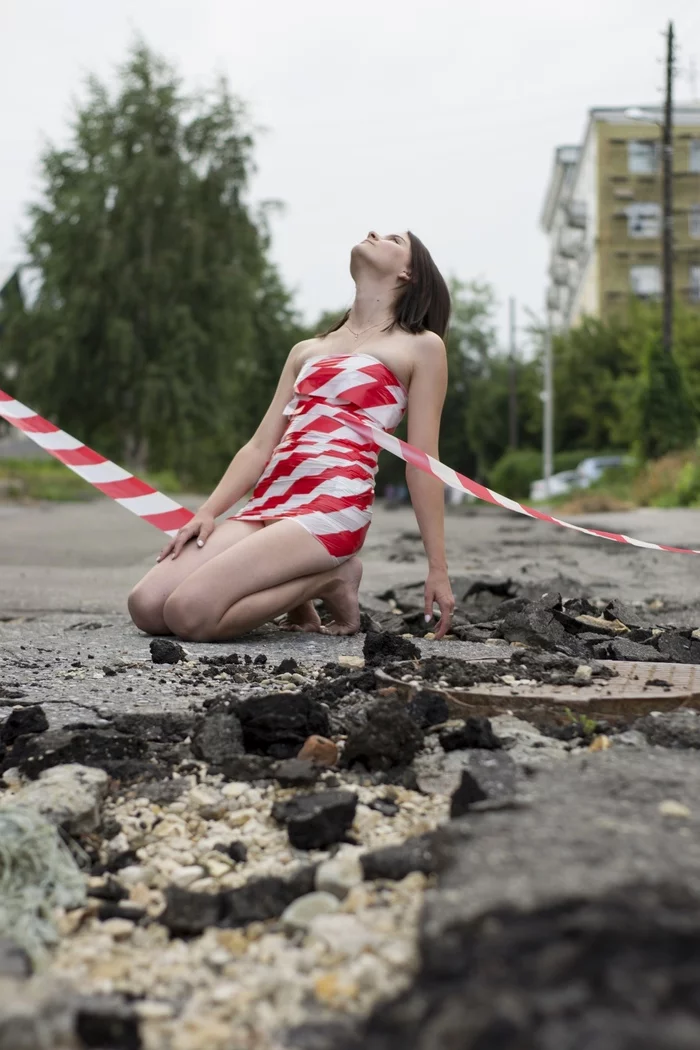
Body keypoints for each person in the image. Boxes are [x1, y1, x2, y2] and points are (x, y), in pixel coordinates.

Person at [128, 230, 456, 642]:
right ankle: (304, 581)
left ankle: (330, 578)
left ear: (410, 272)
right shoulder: (307, 349)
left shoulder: (422, 347)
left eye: (391, 238)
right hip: (270, 502)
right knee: (146, 605)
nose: (372, 233)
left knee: (189, 613)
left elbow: (423, 462)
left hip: (332, 506)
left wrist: (437, 568)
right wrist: (207, 512)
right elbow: (260, 445)